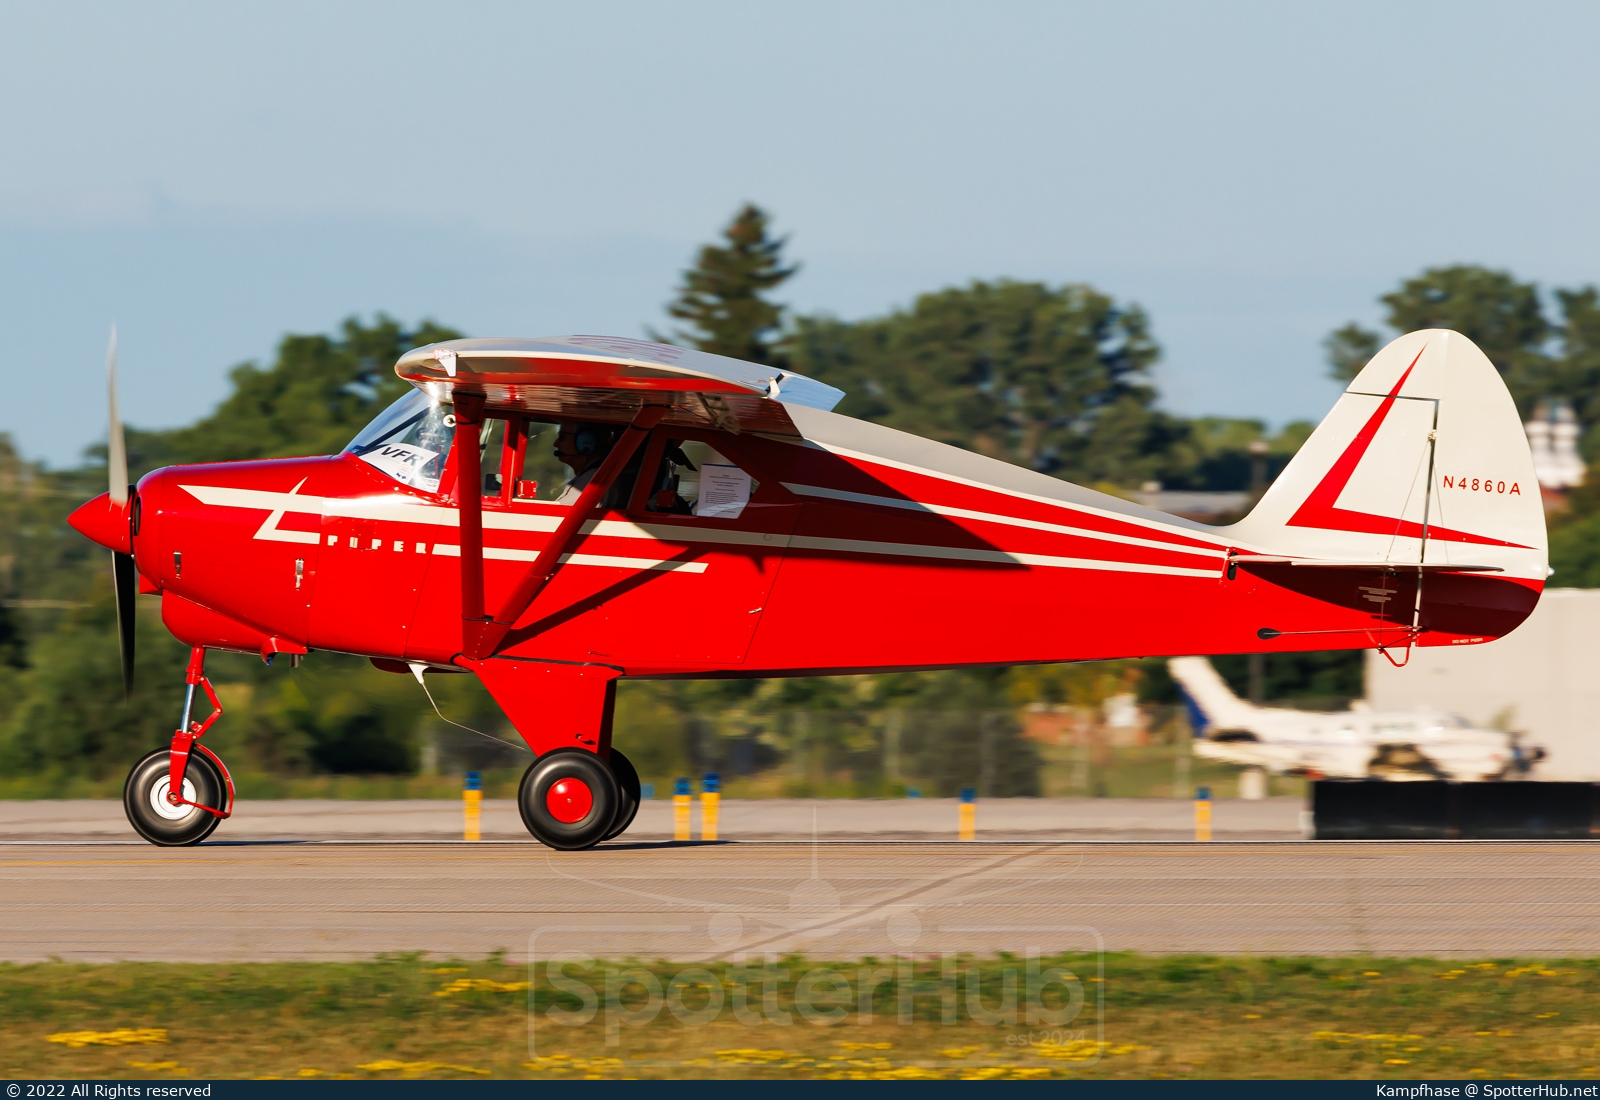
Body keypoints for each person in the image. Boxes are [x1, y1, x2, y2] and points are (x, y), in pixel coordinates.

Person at [552, 422, 617, 504]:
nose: (555, 444)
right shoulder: (591, 474)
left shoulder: (594, 478)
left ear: (586, 441)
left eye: (562, 437)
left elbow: (564, 512)